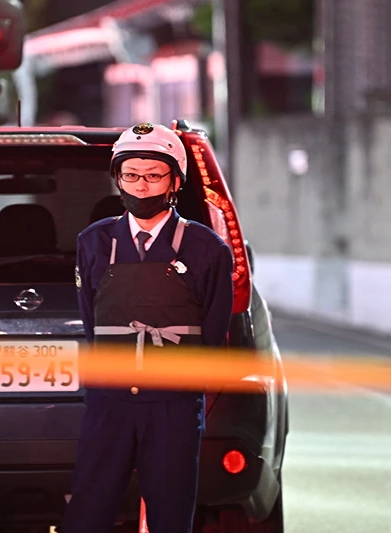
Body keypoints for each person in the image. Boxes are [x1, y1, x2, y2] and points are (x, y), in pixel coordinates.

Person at [61, 122, 234, 533]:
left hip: (173, 402)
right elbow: (93, 321)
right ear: (117, 178)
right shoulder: (93, 242)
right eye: (131, 174)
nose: (141, 186)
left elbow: (213, 333)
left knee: (171, 513)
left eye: (154, 175)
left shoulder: (207, 248)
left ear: (175, 180)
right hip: (110, 401)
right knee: (89, 509)